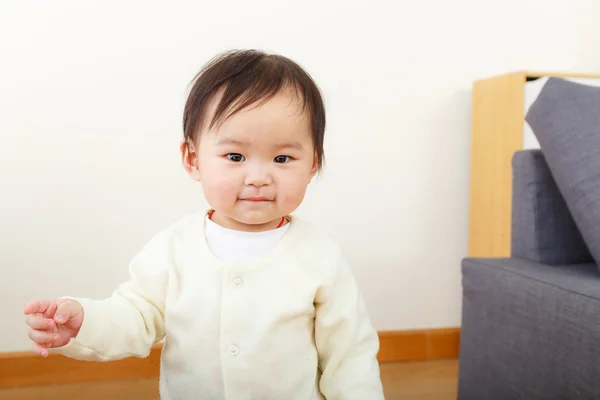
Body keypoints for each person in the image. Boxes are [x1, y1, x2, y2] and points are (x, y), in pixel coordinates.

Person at [23, 49, 384, 399]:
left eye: (282, 157)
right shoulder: (173, 248)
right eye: (235, 156)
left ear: (313, 164)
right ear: (193, 159)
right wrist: (84, 321)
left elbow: (349, 355)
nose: (258, 177)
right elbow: (135, 315)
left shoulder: (319, 257)